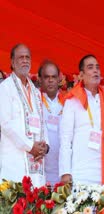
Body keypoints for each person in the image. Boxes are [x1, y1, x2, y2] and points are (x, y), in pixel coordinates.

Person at [59, 54, 104, 185]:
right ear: (81, 75)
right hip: (81, 174)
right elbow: (65, 139)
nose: (95, 71)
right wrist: (65, 172)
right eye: (90, 67)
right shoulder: (72, 101)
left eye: (97, 68)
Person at [0, 44, 48, 186]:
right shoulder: (5, 88)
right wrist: (30, 146)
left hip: (37, 163)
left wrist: (45, 146)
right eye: (21, 57)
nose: (25, 60)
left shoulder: (35, 91)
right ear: (12, 63)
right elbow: (6, 124)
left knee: (36, 204)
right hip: (15, 162)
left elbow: (42, 121)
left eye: (27, 57)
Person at [38, 60, 64, 185]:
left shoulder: (68, 102)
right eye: (46, 77)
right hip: (40, 168)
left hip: (62, 170)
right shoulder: (34, 102)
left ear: (59, 79)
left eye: (53, 77)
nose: (50, 80)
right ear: (40, 79)